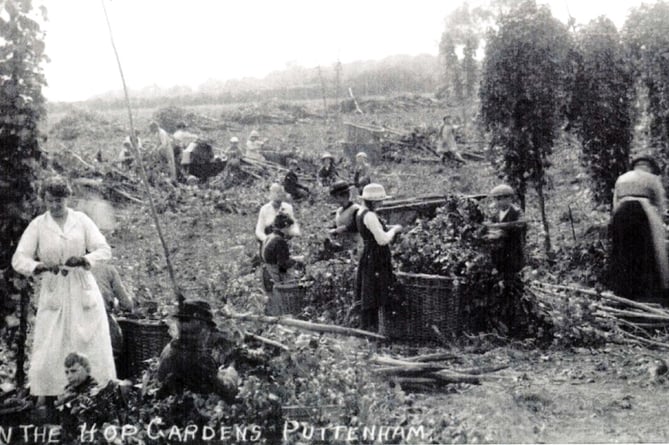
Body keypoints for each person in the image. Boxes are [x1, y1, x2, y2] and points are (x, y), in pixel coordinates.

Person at [12, 177, 116, 407]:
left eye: (58, 201)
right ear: (45, 200)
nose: (54, 206)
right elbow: (19, 259)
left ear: (67, 199)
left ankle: (94, 397)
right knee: (50, 345)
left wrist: (84, 258)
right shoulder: (39, 225)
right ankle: (50, 398)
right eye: (49, 201)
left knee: (87, 342)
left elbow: (104, 250)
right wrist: (37, 266)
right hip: (55, 289)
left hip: (81, 287)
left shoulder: (81, 221)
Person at [610, 154, 669, 302]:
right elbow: (661, 204)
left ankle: (624, 292)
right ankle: (650, 293)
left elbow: (615, 203)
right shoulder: (652, 179)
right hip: (641, 213)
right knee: (647, 252)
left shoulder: (622, 178)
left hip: (621, 214)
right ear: (649, 167)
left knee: (624, 251)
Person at [156, 300, 239, 402]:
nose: (208, 332)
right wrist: (231, 370)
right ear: (201, 324)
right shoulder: (199, 359)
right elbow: (226, 391)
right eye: (207, 328)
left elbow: (160, 378)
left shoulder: (170, 347)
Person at [355, 184, 402, 331]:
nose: (381, 203)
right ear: (373, 201)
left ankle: (371, 328)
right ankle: (375, 329)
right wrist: (394, 230)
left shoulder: (360, 212)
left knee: (370, 290)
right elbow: (382, 239)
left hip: (369, 254)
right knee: (376, 292)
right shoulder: (370, 215)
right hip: (376, 256)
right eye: (380, 201)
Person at [91, 264, 135, 364]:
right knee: (116, 344)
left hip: (78, 319)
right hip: (102, 316)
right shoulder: (108, 268)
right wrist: (129, 307)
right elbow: (125, 301)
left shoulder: (75, 267)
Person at [485, 184, 526, 276]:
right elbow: (489, 226)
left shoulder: (516, 212)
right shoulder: (494, 214)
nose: (497, 202)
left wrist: (503, 229)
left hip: (512, 251)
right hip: (498, 253)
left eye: (500, 199)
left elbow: (520, 225)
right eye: (495, 199)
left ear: (509, 199)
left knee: (513, 277)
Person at [261, 213, 304, 292]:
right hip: (276, 276)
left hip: (267, 273)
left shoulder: (270, 236)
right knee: (301, 283)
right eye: (290, 227)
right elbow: (283, 265)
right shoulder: (280, 241)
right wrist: (296, 260)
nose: (291, 229)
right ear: (286, 227)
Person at [255, 184, 300, 253]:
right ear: (271, 194)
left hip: (285, 240)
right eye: (276, 192)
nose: (279, 194)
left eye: (281, 192)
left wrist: (294, 234)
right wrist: (267, 240)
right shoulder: (264, 209)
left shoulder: (288, 207)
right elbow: (259, 230)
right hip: (269, 243)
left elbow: (294, 225)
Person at [328, 180, 361, 254]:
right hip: (342, 245)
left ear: (344, 195)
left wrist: (342, 229)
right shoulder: (339, 211)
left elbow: (356, 226)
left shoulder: (355, 209)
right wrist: (332, 230)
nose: (334, 199)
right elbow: (336, 225)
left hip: (355, 247)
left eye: (336, 196)